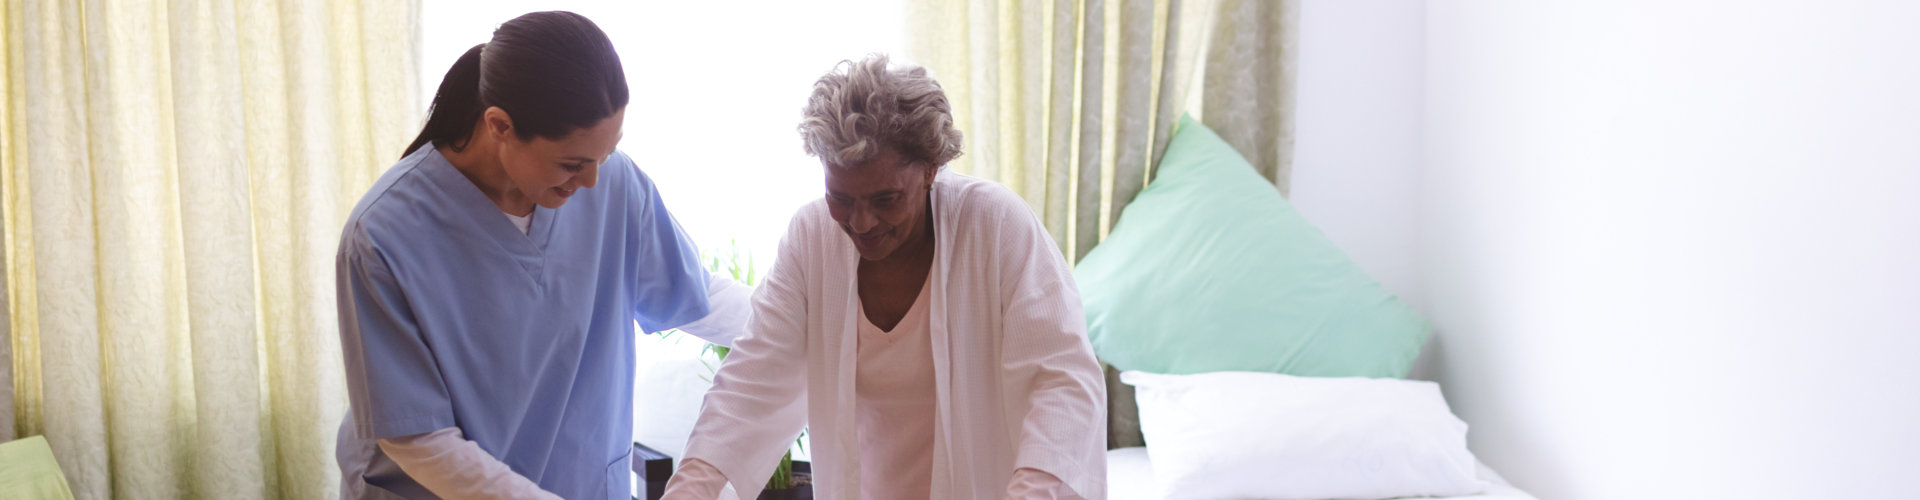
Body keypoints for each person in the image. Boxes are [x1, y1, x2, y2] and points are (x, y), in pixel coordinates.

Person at [333, 11, 749, 499]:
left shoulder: (613, 185)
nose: (592, 180)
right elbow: (416, 437)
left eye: (606, 154)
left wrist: (822, 324)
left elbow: (696, 295)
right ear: (500, 126)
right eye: (572, 163)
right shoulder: (384, 235)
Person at [663, 54, 1107, 500]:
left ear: (931, 169)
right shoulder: (812, 237)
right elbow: (750, 381)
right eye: (840, 197)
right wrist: (687, 490)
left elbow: (1061, 384)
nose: (860, 222)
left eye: (885, 199)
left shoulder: (995, 225)